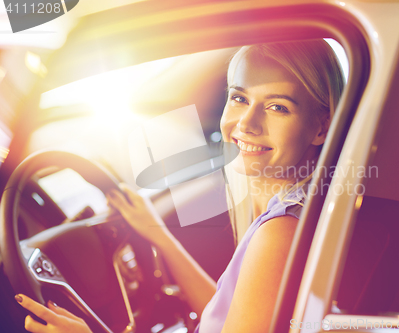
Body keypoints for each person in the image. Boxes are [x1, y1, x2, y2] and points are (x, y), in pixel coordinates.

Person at [15, 39, 344, 333]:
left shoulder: (280, 232)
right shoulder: (292, 211)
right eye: (240, 98)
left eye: (277, 107)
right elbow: (223, 314)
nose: (246, 123)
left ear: (321, 127)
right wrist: (159, 235)